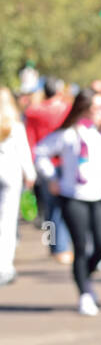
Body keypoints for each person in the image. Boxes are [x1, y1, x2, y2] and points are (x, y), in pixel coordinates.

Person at [33, 90, 101, 314]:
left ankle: (84, 275)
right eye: (97, 107)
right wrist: (52, 178)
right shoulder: (68, 134)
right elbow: (40, 152)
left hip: (98, 197)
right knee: (80, 246)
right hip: (73, 196)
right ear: (84, 109)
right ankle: (85, 292)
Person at [23, 79, 73, 262]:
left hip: (43, 163)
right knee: (62, 207)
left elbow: (29, 138)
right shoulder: (66, 110)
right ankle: (60, 247)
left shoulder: (34, 112)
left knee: (50, 207)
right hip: (63, 163)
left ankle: (52, 245)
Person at [0, 88, 37, 285]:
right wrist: (30, 175)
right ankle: (4, 266)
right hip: (10, 174)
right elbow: (24, 153)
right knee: (7, 222)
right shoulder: (14, 125)